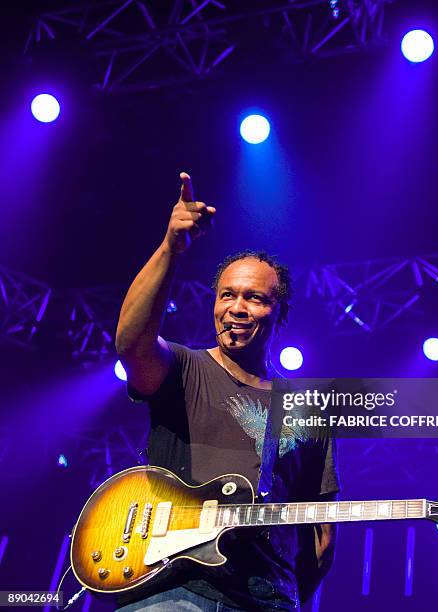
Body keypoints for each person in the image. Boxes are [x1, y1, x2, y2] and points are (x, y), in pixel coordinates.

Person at [115, 173, 339, 611]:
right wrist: (170, 248)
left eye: (255, 298)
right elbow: (131, 344)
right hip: (171, 589)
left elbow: (323, 535)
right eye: (226, 295)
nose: (237, 308)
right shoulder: (183, 367)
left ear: (281, 312)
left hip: (266, 598)